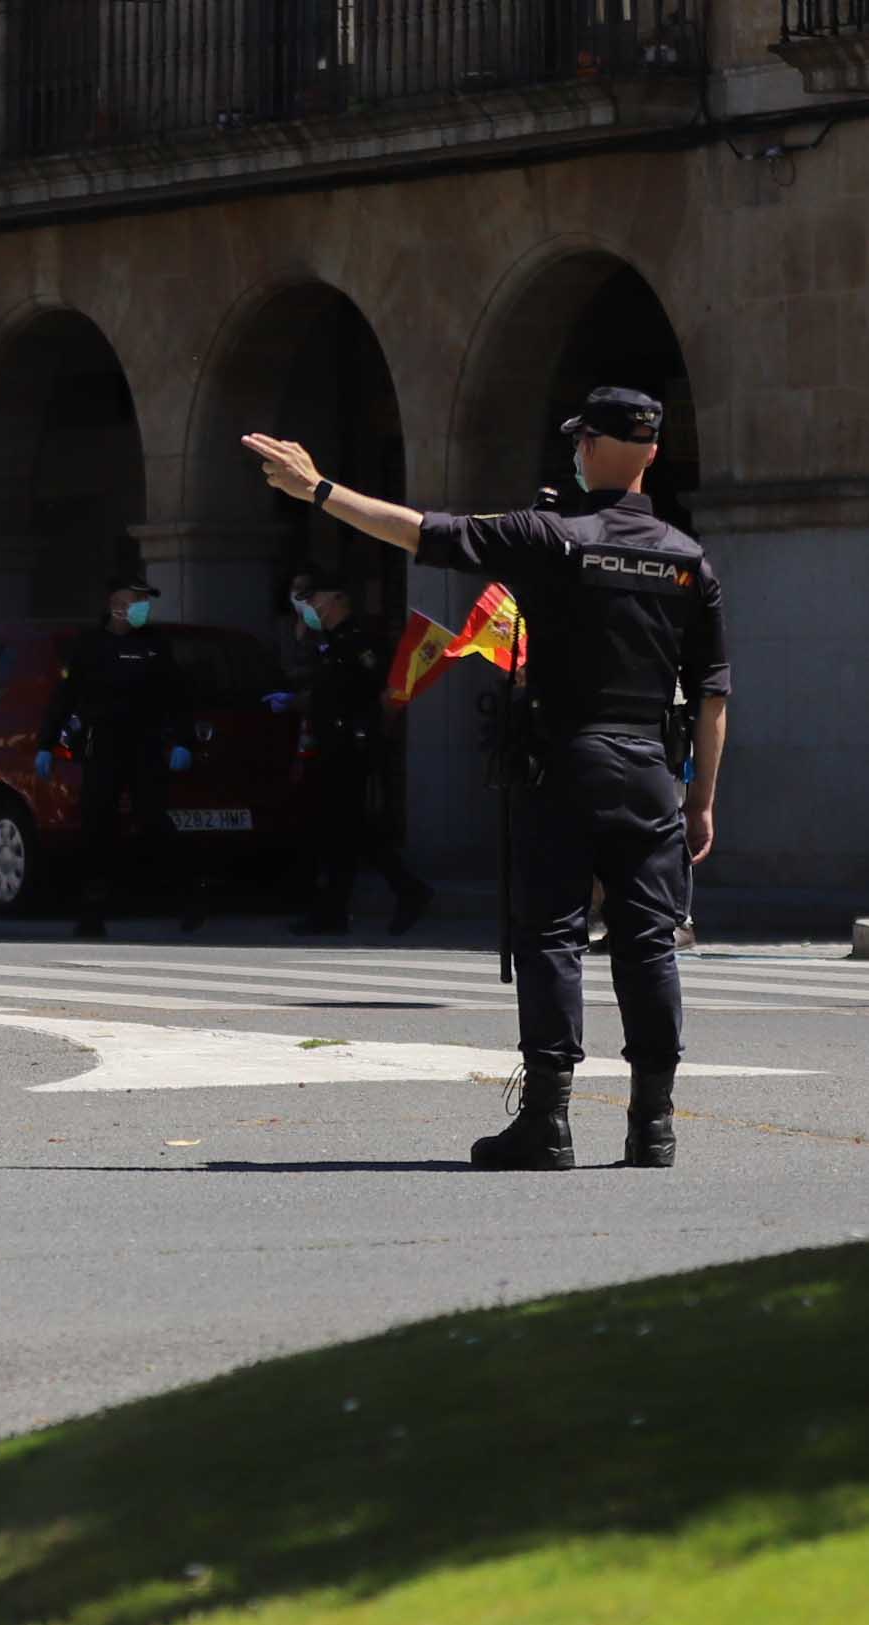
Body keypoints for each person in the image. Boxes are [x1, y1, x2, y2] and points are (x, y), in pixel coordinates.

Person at [245, 386, 727, 1171]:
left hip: (566, 763)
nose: (573, 454)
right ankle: (654, 1126)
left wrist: (321, 490)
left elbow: (420, 532)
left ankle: (548, 1123)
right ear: (654, 452)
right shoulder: (687, 559)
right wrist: (699, 796)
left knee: (551, 939)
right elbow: (712, 691)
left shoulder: (550, 535)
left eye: (579, 441)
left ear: (598, 448)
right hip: (649, 772)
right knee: (649, 945)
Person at [39, 577, 196, 938]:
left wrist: (184, 741)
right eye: (136, 599)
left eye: (146, 600)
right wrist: (45, 744)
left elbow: (177, 696)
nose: (143, 606)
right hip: (104, 745)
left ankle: (188, 899)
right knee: (96, 827)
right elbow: (67, 696)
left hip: (146, 745)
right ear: (115, 603)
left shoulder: (155, 644)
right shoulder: (91, 645)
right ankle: (92, 913)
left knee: (154, 821)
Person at [284, 566, 432, 936]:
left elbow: (376, 695)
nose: (312, 605)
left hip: (352, 744)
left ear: (337, 599)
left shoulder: (359, 641)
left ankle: (407, 890)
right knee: (341, 831)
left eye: (316, 597)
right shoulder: (328, 641)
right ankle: (335, 910)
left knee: (351, 828)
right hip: (331, 743)